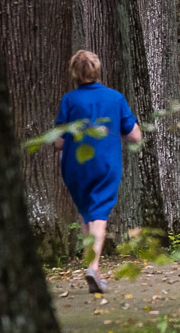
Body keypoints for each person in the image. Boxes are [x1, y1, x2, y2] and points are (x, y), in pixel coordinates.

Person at [54, 49, 142, 293]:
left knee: (86, 213)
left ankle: (92, 267)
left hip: (75, 166)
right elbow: (135, 136)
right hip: (106, 164)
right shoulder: (115, 98)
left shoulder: (69, 100)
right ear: (97, 69)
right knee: (99, 213)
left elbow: (58, 142)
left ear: (75, 72)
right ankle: (93, 266)